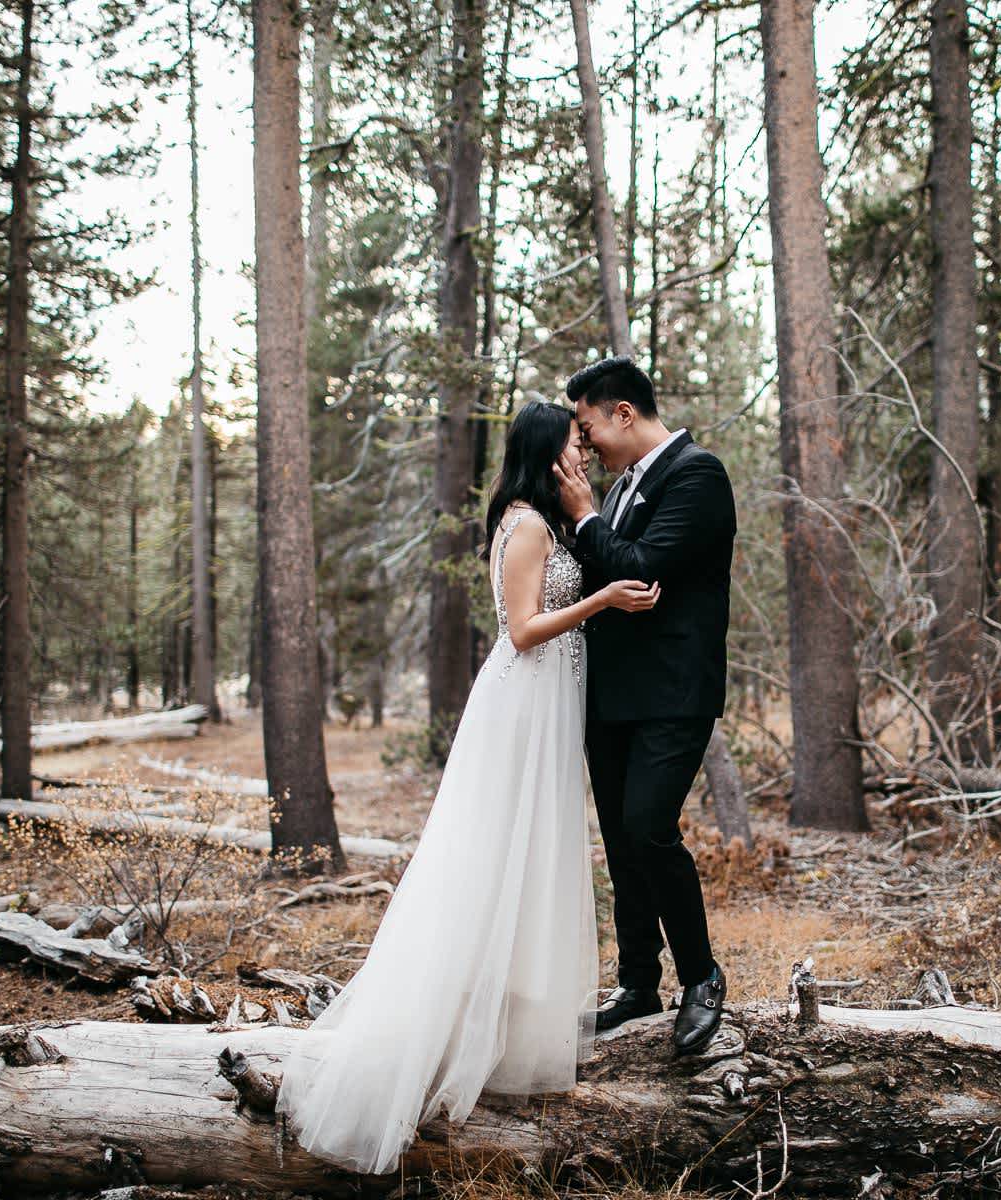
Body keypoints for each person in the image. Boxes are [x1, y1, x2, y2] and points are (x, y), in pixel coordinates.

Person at [274, 400, 660, 1175]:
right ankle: (442, 1029)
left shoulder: (551, 521)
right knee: (491, 854)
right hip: (522, 702)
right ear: (542, 453)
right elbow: (521, 629)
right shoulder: (523, 526)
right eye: (570, 446)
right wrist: (601, 599)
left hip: (553, 702)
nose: (580, 456)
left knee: (533, 856)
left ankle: (507, 1032)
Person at [552, 356, 737, 1056]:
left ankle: (702, 976)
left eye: (589, 424)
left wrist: (584, 516)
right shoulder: (625, 484)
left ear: (623, 414)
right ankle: (638, 985)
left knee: (650, 827)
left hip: (672, 694)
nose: (586, 440)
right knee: (624, 844)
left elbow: (639, 568)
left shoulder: (697, 475)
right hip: (612, 699)